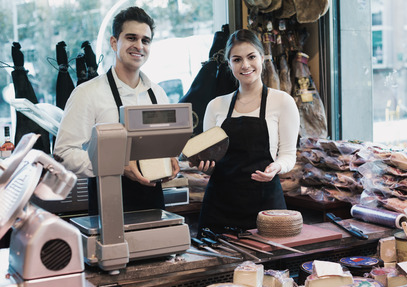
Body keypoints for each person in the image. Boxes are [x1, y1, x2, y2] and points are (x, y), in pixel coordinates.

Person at [54, 6, 179, 215]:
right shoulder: (87, 93)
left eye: (145, 40)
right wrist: (117, 166)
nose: (139, 46)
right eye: (131, 38)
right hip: (109, 204)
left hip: (154, 203)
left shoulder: (158, 94)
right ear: (114, 42)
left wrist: (171, 159)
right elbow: (63, 154)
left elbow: (164, 144)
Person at [196, 29, 300, 235]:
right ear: (229, 64)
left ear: (262, 58)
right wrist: (205, 166)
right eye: (237, 59)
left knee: (271, 267)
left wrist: (276, 167)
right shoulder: (216, 106)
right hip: (220, 205)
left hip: (266, 206)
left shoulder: (282, 102)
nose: (245, 65)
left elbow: (288, 155)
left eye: (251, 57)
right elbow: (209, 157)